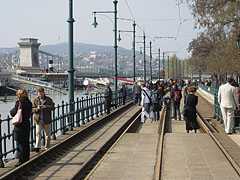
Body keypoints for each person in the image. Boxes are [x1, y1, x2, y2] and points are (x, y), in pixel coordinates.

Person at [10, 88, 32, 167]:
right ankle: (26, 158)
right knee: (25, 142)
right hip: (26, 123)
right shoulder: (29, 102)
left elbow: (13, 113)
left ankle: (21, 160)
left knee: (20, 143)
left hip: (20, 125)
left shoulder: (19, 102)